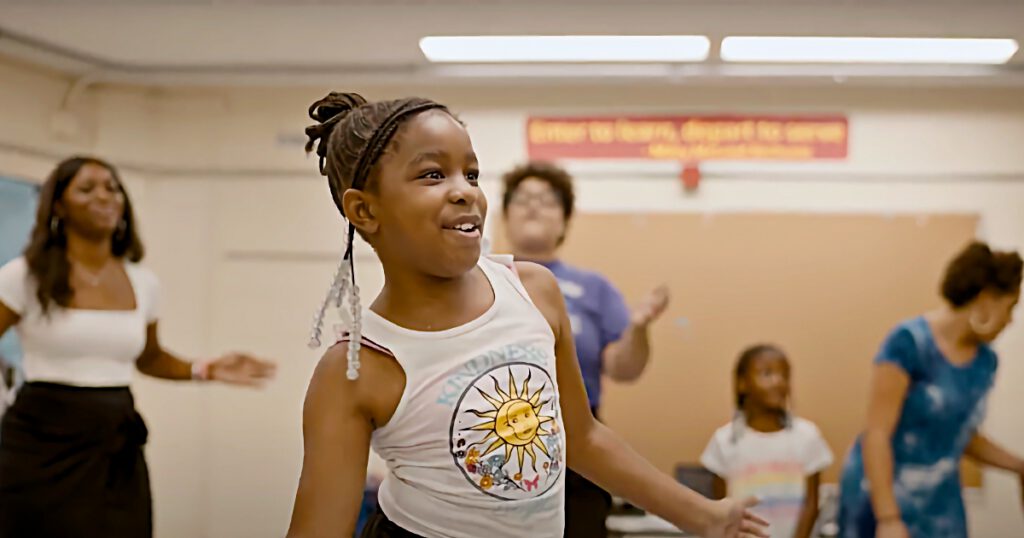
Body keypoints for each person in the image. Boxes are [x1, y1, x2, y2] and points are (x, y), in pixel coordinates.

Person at [285, 92, 767, 538]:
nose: (464, 192)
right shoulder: (357, 367)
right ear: (365, 211)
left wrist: (703, 515)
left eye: (470, 174)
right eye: (433, 174)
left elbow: (583, 439)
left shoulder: (534, 292)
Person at [0, 156, 276, 538]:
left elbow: (149, 357)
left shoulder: (142, 282)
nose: (104, 196)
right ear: (58, 206)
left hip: (115, 441)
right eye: (87, 188)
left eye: (112, 187)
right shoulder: (24, 276)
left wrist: (205, 368)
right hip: (39, 442)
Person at [500, 160, 670, 536]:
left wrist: (638, 329)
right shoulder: (481, 276)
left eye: (546, 200)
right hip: (496, 434)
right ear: (505, 215)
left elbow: (622, 368)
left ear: (564, 221)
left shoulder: (593, 288)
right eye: (523, 199)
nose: (533, 207)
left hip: (575, 439)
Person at [837, 241, 1024, 537]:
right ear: (987, 299)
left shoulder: (985, 361)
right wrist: (888, 519)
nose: (1011, 320)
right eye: (1010, 307)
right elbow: (877, 433)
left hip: (939, 502)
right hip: (882, 496)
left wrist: (1019, 465)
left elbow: (960, 435)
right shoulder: (908, 342)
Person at [701, 344, 833, 538]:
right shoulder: (724, 440)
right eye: (766, 374)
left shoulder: (807, 436)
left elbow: (811, 504)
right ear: (742, 383)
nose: (778, 382)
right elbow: (723, 508)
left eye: (784, 375)